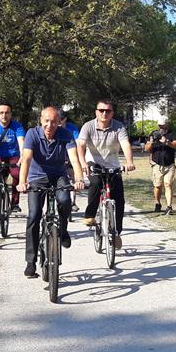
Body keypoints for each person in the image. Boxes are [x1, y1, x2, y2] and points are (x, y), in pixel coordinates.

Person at [17, 107, 85, 278]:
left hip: (58, 176)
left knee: (64, 200)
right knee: (34, 215)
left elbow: (74, 159)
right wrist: (22, 182)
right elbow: (26, 159)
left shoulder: (66, 135)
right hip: (36, 177)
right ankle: (30, 262)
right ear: (41, 120)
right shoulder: (32, 134)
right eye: (46, 121)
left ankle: (62, 231)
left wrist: (79, 179)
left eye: (54, 121)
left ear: (59, 122)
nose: (50, 125)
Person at [76, 99, 136, 250]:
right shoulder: (88, 126)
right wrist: (83, 163)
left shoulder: (118, 127)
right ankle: (90, 215)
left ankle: (116, 232)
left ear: (112, 113)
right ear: (96, 112)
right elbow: (81, 145)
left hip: (113, 165)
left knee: (119, 199)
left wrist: (129, 161)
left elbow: (125, 144)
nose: (104, 113)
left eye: (108, 111)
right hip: (93, 163)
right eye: (101, 110)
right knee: (95, 184)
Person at [144, 116, 176, 215]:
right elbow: (146, 148)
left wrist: (167, 142)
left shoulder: (173, 134)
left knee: (168, 184)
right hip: (157, 164)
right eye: (160, 126)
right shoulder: (153, 133)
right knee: (158, 185)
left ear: (167, 124)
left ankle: (169, 206)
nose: (161, 128)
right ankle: (157, 203)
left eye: (163, 126)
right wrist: (151, 142)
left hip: (170, 164)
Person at [58, 109, 81, 212]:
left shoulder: (72, 128)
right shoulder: (53, 128)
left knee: (73, 176)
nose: (59, 122)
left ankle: (73, 202)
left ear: (65, 119)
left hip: (71, 154)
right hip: (58, 156)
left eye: (61, 119)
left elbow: (78, 142)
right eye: (57, 119)